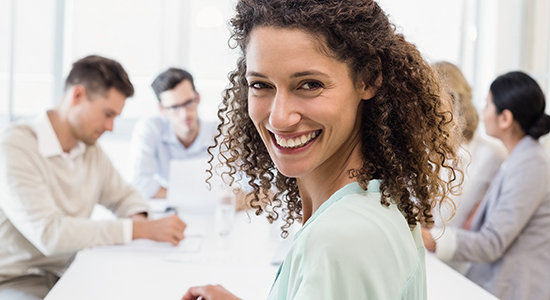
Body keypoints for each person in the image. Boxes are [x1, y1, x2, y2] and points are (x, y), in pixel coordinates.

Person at [182, 0, 462, 299]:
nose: (279, 118)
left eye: (310, 84)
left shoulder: (339, 239)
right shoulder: (375, 203)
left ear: (368, 78)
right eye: (261, 85)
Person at [0, 55, 186, 300]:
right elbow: (51, 234)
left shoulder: (89, 150)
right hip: (17, 279)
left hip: (70, 270)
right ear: (78, 96)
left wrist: (138, 219)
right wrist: (137, 229)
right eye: (107, 114)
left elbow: (124, 196)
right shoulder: (15, 147)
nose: (110, 127)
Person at [423, 71, 550, 300]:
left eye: (488, 105)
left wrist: (430, 239)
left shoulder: (531, 164)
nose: (482, 113)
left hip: (516, 288)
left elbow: (492, 243)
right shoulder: (520, 158)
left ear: (505, 118)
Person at [430, 62, 507, 273]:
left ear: (452, 101)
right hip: (424, 262)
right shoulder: (424, 149)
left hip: (463, 270)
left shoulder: (492, 155)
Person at [129, 68, 218, 199]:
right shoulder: (150, 128)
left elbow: (245, 183)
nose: (185, 114)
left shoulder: (221, 132)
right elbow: (139, 183)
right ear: (162, 109)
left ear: (197, 98)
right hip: (170, 211)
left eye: (188, 103)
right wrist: (196, 197)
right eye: (175, 107)